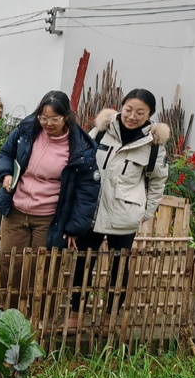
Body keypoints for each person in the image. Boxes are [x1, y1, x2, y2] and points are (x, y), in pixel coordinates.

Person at [67, 88, 170, 331]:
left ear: (150, 115)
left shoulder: (153, 145)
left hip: (124, 214)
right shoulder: (101, 131)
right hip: (92, 211)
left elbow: (158, 181)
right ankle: (75, 312)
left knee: (118, 266)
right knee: (83, 262)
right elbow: (81, 163)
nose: (132, 116)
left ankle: (109, 315)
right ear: (121, 107)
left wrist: (146, 213)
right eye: (129, 110)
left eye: (140, 112)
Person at [0, 90, 100, 310]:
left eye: (54, 119)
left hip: (50, 218)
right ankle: (11, 316)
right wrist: (5, 174)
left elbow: (87, 189)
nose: (48, 123)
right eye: (44, 117)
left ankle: (39, 319)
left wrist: (74, 227)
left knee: (42, 269)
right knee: (10, 265)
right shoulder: (27, 131)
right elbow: (5, 154)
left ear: (66, 116)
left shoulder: (79, 147)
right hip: (16, 211)